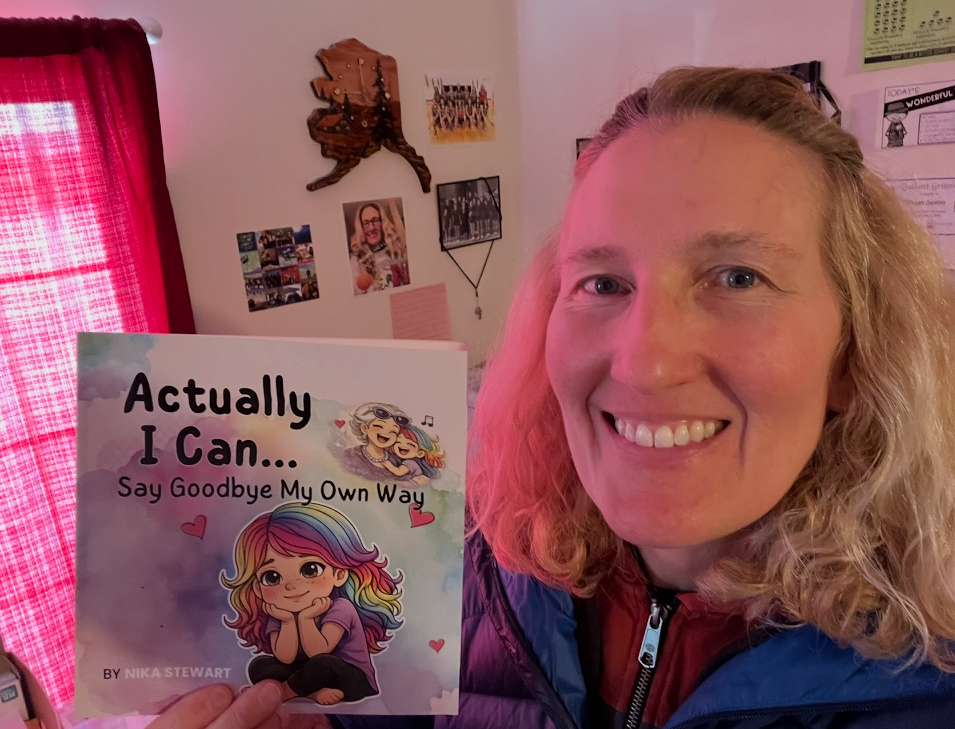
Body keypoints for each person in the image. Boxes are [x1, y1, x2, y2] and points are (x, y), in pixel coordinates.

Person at [20, 65, 955, 729]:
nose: (644, 361)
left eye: (737, 277)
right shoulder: (460, 567)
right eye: (601, 282)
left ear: (854, 350)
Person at [221, 502, 403, 707]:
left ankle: (285, 692)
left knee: (323, 664)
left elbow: (319, 651)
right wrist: (288, 621)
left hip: (349, 677)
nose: (291, 585)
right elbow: (286, 657)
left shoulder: (341, 607)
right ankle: (311, 693)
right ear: (257, 587)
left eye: (310, 569)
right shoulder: (279, 613)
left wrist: (307, 618)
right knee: (260, 666)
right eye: (272, 577)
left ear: (339, 574)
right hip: (306, 670)